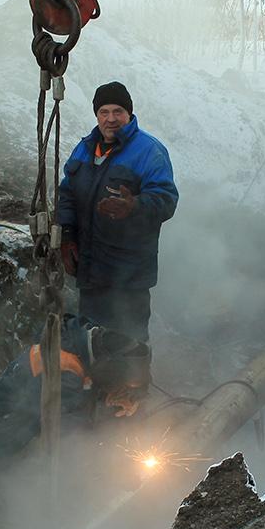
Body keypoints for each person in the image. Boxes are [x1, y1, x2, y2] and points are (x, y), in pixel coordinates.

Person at [57, 82, 178, 342]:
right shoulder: (85, 148)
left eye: (118, 111)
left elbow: (166, 199)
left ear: (129, 114)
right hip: (90, 272)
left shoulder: (148, 150)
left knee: (128, 348)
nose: (111, 119)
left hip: (129, 276)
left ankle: (134, 382)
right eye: (104, 111)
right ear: (96, 114)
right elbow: (67, 193)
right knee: (91, 345)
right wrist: (66, 234)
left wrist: (134, 206)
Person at [0, 316, 152, 458]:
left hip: (32, 413)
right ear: (109, 370)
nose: (120, 390)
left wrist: (110, 396)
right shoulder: (65, 369)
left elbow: (88, 382)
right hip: (4, 430)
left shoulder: (90, 340)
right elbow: (69, 431)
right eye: (120, 385)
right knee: (86, 440)